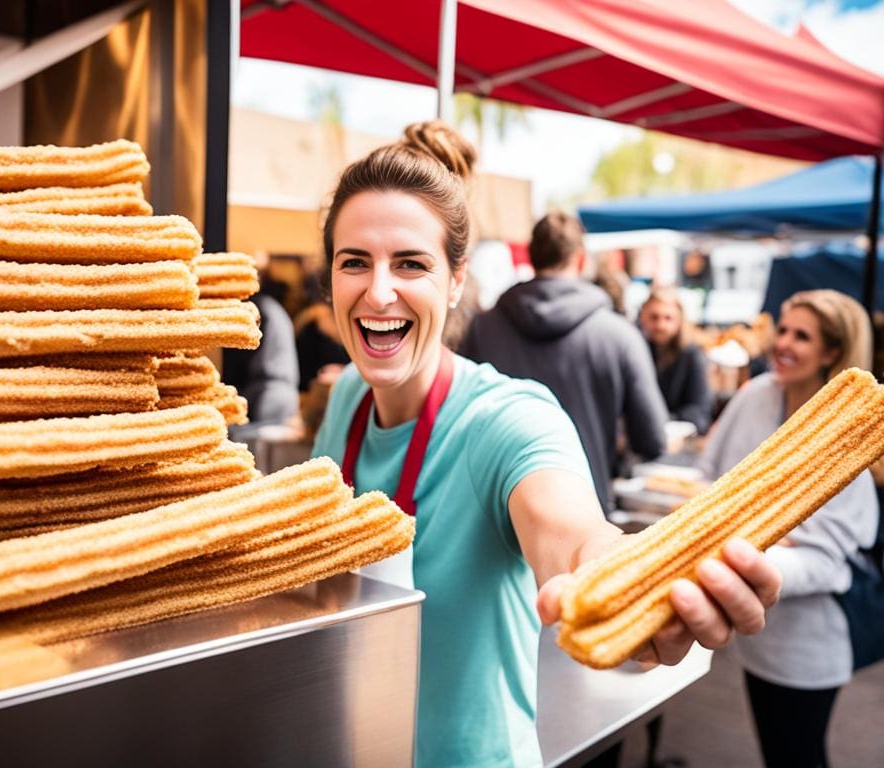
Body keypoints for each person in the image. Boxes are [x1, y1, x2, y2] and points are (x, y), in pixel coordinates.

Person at [309, 120, 781, 768]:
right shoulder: (345, 402)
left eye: (411, 263)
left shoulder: (506, 420)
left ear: (454, 280)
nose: (378, 290)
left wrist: (632, 588)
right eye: (353, 261)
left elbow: (576, 540)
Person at [698, 289, 878, 768]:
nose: (784, 342)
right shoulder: (758, 393)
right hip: (757, 635)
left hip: (809, 644)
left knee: (797, 756)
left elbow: (828, 559)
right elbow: (710, 477)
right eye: (783, 329)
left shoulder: (847, 436)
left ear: (832, 352)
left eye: (802, 336)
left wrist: (738, 550)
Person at [460, 210, 668, 512]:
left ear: (532, 258)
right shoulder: (619, 335)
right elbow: (652, 440)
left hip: (496, 510)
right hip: (586, 515)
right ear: (581, 260)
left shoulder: (480, 329)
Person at [638, 287, 714, 435]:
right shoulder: (637, 350)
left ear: (679, 320)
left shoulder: (692, 355)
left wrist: (665, 419)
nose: (661, 325)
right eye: (654, 317)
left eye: (668, 318)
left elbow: (700, 412)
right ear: (643, 317)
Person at [221, 291, 299, 424]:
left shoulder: (255, 310)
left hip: (266, 398)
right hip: (277, 395)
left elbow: (237, 367)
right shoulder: (270, 307)